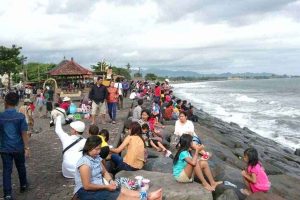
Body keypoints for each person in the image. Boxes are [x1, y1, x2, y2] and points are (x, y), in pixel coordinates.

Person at [73, 136, 163, 200]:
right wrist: (106, 187)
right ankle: (148, 198)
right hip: (86, 192)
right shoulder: (85, 163)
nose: (99, 151)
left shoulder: (96, 158)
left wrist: (111, 181)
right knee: (120, 196)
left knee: (122, 190)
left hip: (100, 186)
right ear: (89, 148)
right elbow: (87, 186)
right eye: (96, 149)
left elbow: (104, 172)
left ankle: (149, 196)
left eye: (99, 149)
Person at [0, 92, 30, 200]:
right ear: (17, 102)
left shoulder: (1, 116)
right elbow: (24, 134)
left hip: (5, 148)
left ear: (6, 101)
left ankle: (7, 194)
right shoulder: (20, 117)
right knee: (21, 166)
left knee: (7, 171)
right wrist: (27, 148)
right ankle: (23, 185)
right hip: (18, 147)